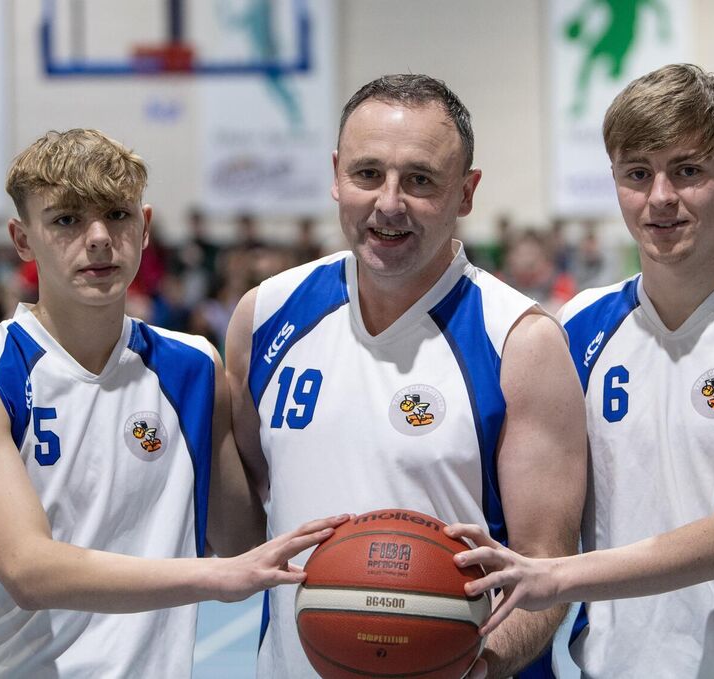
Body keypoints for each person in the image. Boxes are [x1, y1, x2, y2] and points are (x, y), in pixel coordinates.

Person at [448, 64, 714, 678]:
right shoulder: (577, 323)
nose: (660, 197)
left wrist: (553, 575)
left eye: (688, 170)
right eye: (637, 173)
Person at [0, 129, 346, 678]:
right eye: (65, 219)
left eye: (116, 214)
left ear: (145, 225)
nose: (97, 238)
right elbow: (28, 570)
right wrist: (215, 576)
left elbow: (242, 545)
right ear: (22, 240)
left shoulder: (195, 368)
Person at [224, 74, 587, 678]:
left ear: (466, 193)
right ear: (337, 174)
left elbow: (548, 562)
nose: (389, 203)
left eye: (420, 180)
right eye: (368, 174)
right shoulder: (265, 316)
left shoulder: (521, 344)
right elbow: (255, 506)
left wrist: (477, 666)